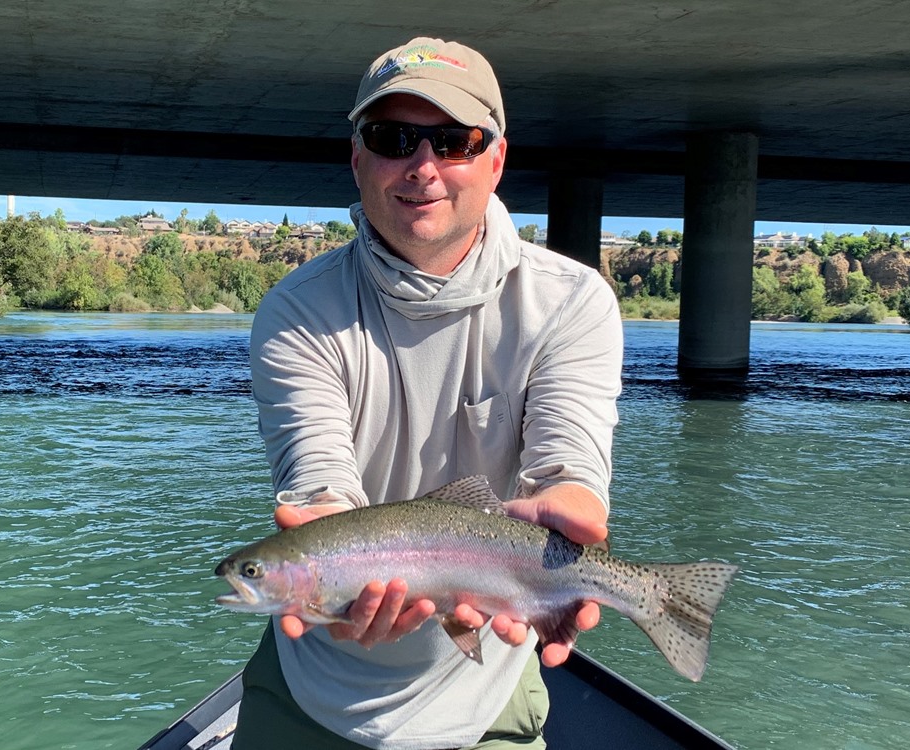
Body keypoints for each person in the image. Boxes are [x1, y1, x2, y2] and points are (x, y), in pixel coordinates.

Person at [234, 37, 623, 750]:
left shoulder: (572, 302)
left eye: (454, 141)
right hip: (313, 691)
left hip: (491, 683)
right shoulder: (297, 312)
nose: (423, 167)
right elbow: (319, 482)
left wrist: (571, 504)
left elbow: (567, 465)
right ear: (358, 159)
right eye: (393, 138)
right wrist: (326, 550)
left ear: (496, 161)